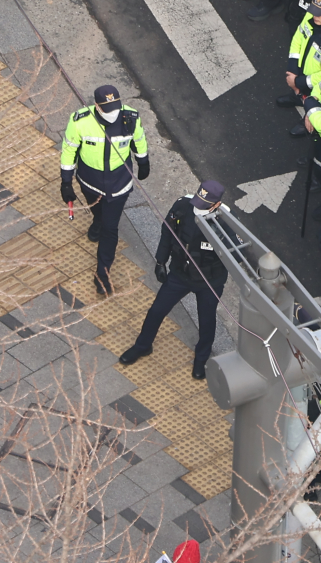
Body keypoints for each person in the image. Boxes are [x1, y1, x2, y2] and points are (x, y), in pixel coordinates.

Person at [120, 180, 229, 378]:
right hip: (180, 274)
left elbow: (237, 256)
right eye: (198, 201)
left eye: (205, 205)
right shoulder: (182, 205)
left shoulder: (227, 222)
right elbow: (167, 233)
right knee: (156, 310)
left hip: (209, 282)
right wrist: (161, 261)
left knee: (206, 322)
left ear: (216, 205)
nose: (198, 207)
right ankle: (143, 345)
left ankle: (201, 358)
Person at [59, 84, 150, 296]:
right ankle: (97, 220)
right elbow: (69, 150)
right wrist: (66, 181)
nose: (113, 114)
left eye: (116, 107)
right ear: (97, 106)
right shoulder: (80, 121)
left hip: (119, 183)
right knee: (97, 211)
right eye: (108, 109)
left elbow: (139, 139)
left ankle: (102, 274)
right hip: (90, 181)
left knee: (111, 228)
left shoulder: (131, 118)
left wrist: (143, 160)